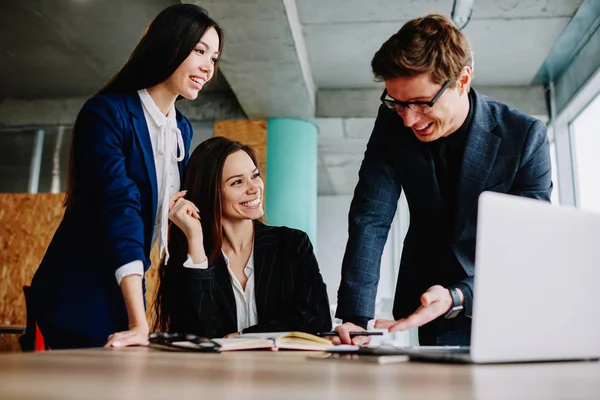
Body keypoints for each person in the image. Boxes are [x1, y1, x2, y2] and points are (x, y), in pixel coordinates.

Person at [333, 14, 552, 346]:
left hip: (501, 293)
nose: (408, 120)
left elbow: (529, 243)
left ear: (462, 80)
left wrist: (461, 294)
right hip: (427, 298)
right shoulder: (393, 123)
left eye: (421, 104)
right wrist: (355, 316)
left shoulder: (523, 136)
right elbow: (371, 215)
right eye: (398, 104)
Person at [29, 4, 223, 349]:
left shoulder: (180, 128)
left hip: (129, 288)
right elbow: (122, 205)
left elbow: (160, 207)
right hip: (78, 294)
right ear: (172, 45)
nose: (209, 66)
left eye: (214, 57)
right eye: (200, 51)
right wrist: (138, 320)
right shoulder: (106, 114)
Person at [153, 137, 332, 338]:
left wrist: (243, 336)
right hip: (216, 369)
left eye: (254, 176)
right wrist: (195, 240)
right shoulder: (188, 259)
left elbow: (317, 319)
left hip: (284, 367)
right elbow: (197, 335)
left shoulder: (292, 243)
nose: (254, 187)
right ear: (211, 192)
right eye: (237, 182)